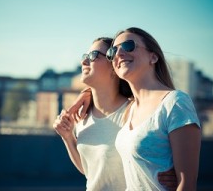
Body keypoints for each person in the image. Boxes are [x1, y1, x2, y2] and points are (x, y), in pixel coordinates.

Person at [71, 27, 201, 191]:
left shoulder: (175, 102)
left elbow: (187, 184)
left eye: (128, 46)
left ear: (153, 57)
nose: (119, 53)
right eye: (113, 51)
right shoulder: (130, 110)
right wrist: (86, 94)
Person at [53, 37, 178, 191]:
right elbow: (92, 171)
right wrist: (68, 137)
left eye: (93, 56)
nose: (84, 62)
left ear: (114, 65)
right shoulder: (82, 115)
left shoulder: (134, 111)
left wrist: (174, 173)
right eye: (85, 57)